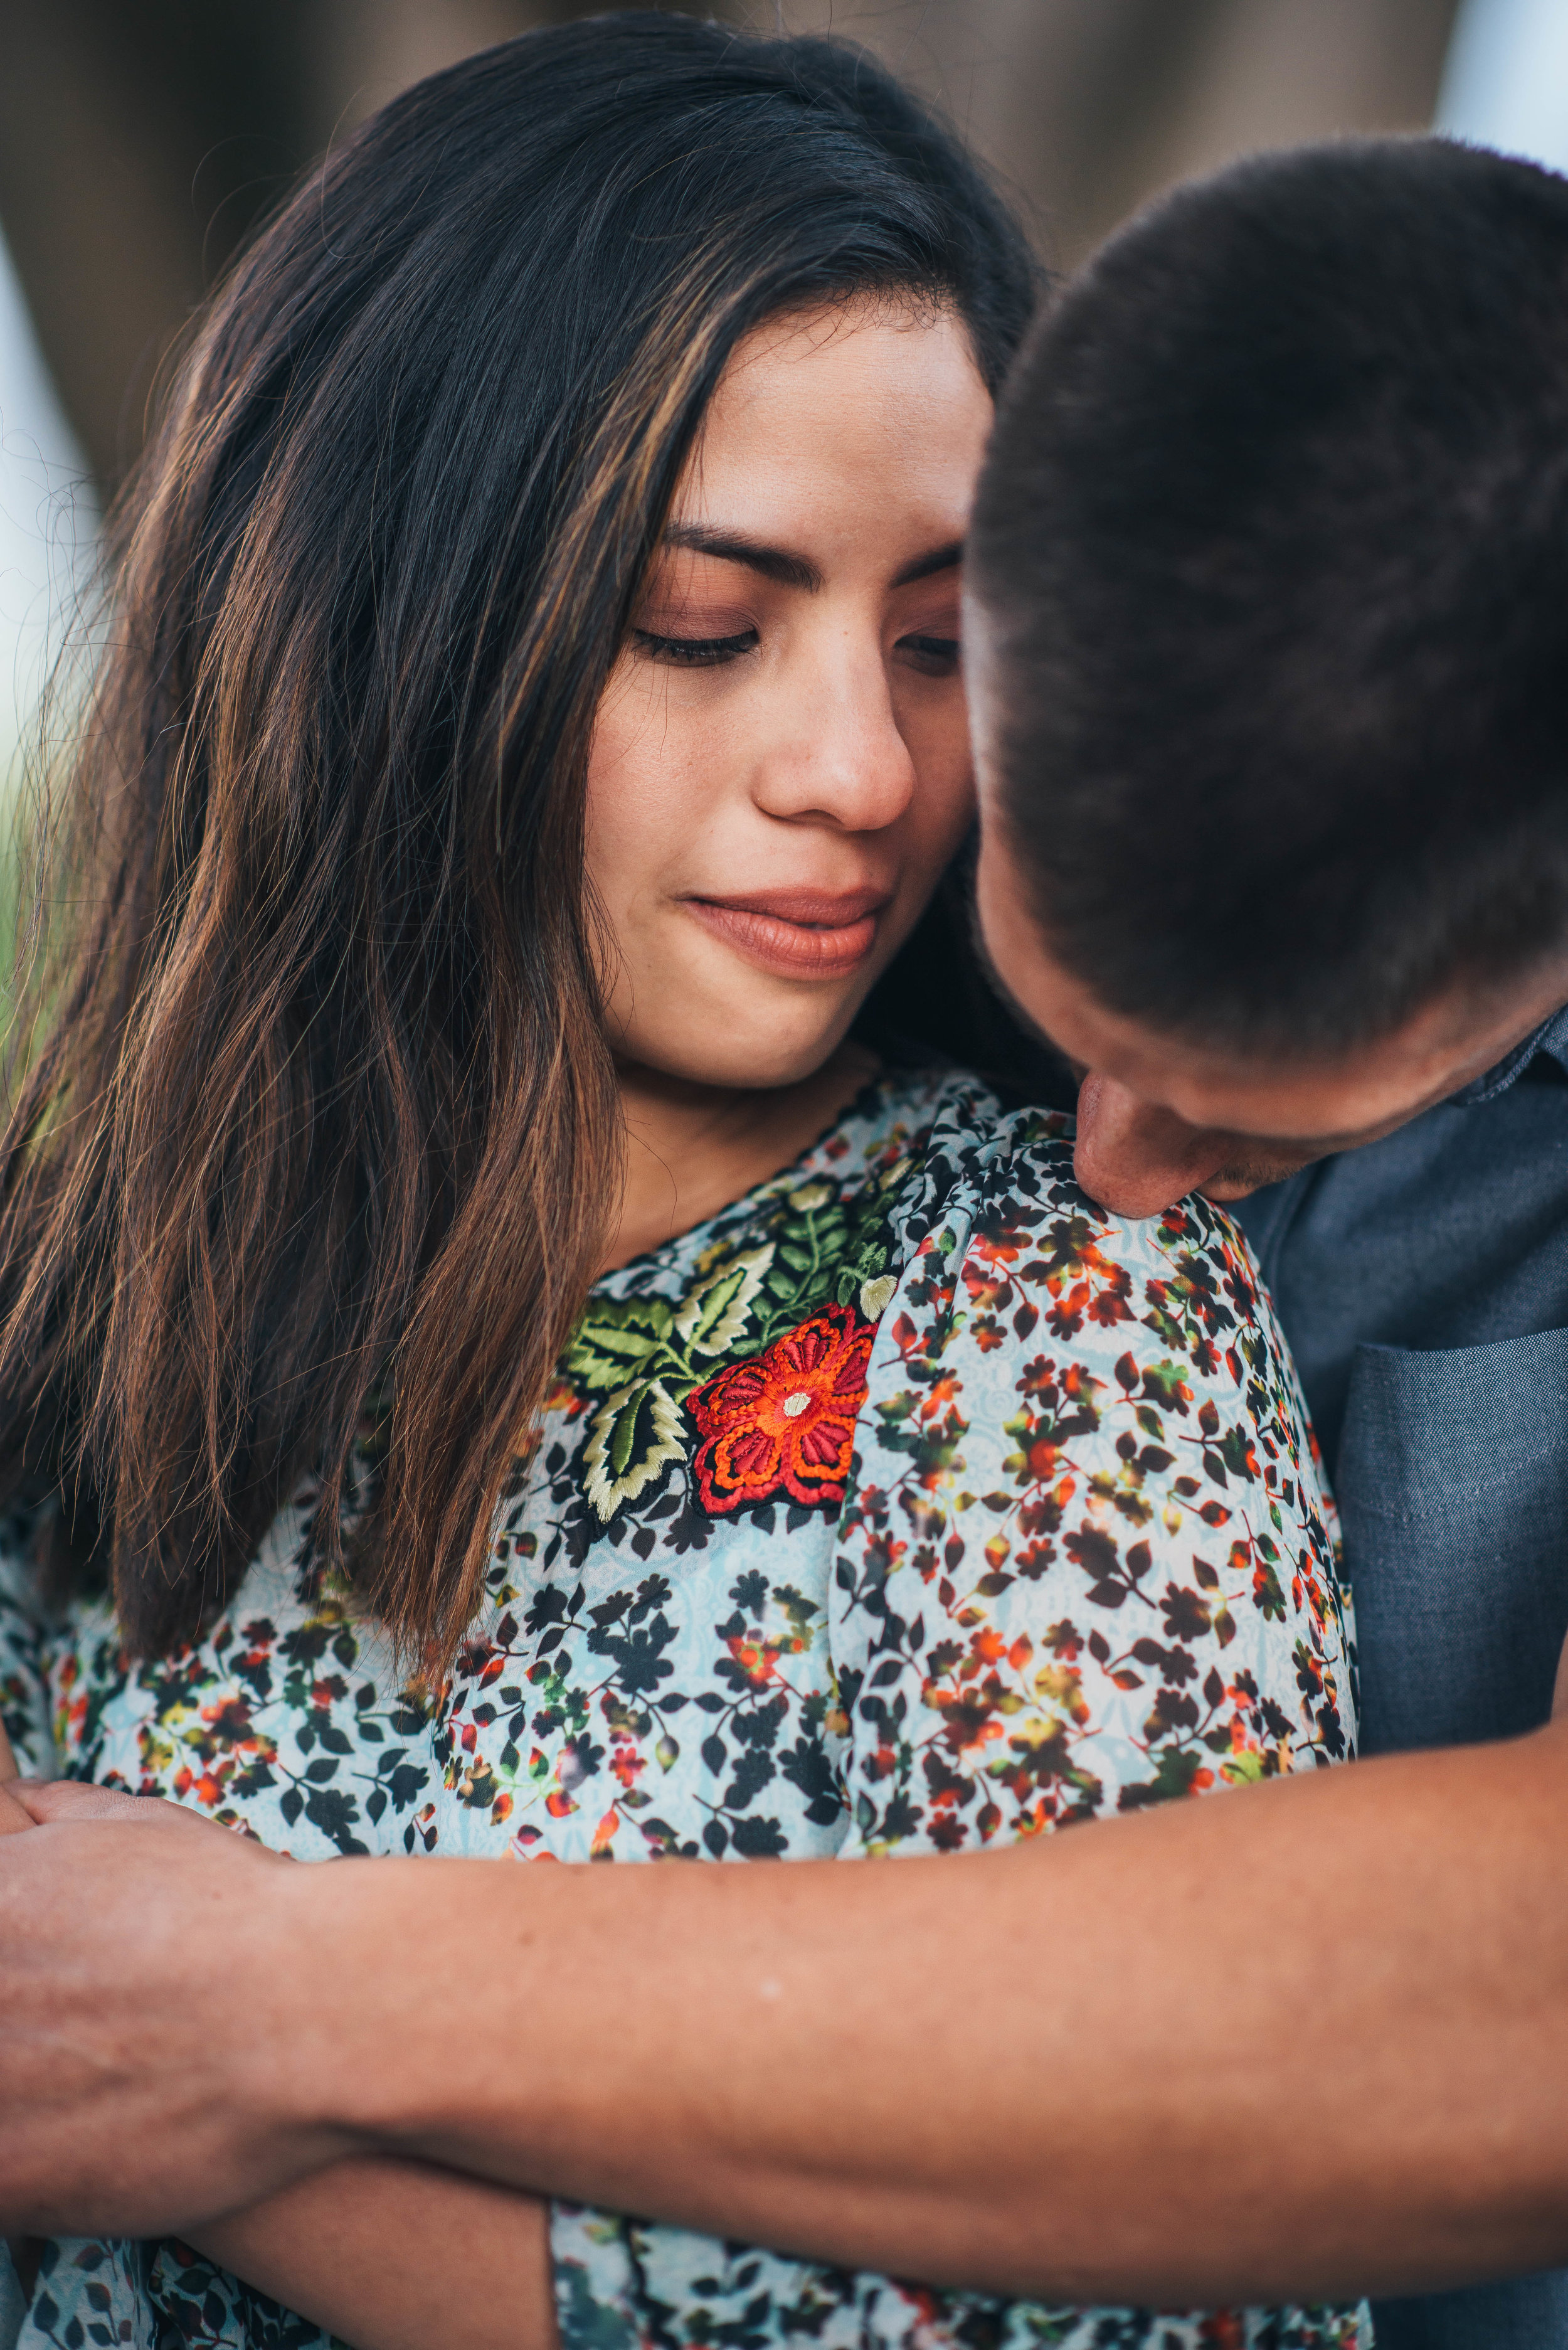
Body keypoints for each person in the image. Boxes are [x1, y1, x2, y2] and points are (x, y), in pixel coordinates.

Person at [4, 111, 1566, 2350]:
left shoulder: (1038, 1289)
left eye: (931, 644)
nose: (856, 767)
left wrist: (216, 2031)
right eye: (699, 625)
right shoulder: (85, 1312)